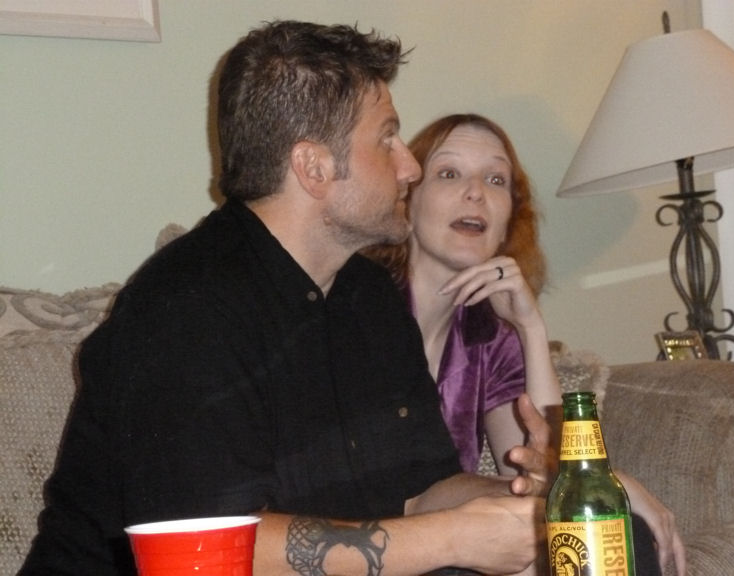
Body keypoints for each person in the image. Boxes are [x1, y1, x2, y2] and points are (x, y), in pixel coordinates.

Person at [20, 22, 552, 576]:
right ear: (313, 167)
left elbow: (421, 493)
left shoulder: (368, 296)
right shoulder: (185, 310)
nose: (409, 167)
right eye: (386, 139)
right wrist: (450, 540)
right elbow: (203, 551)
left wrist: (527, 501)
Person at [365, 113, 686, 575]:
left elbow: (539, 468)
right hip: (378, 543)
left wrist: (530, 327)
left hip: (455, 539)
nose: (476, 192)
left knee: (601, 532)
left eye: (496, 179)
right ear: (407, 202)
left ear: (509, 220)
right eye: (449, 173)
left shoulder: (489, 337)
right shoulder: (358, 310)